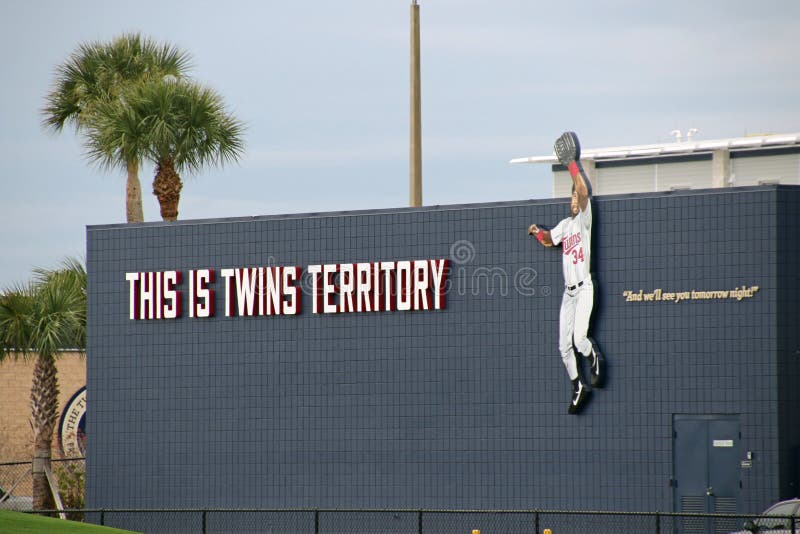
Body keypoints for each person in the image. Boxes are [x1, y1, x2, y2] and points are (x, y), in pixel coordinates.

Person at [528, 131, 604, 415]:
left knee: (579, 340)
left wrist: (573, 166)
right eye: (571, 196)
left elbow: (584, 192)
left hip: (585, 287)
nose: (574, 198)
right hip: (568, 293)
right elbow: (550, 239)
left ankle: (593, 356)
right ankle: (578, 386)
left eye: (575, 195)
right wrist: (538, 233)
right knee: (563, 346)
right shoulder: (565, 225)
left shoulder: (585, 220)